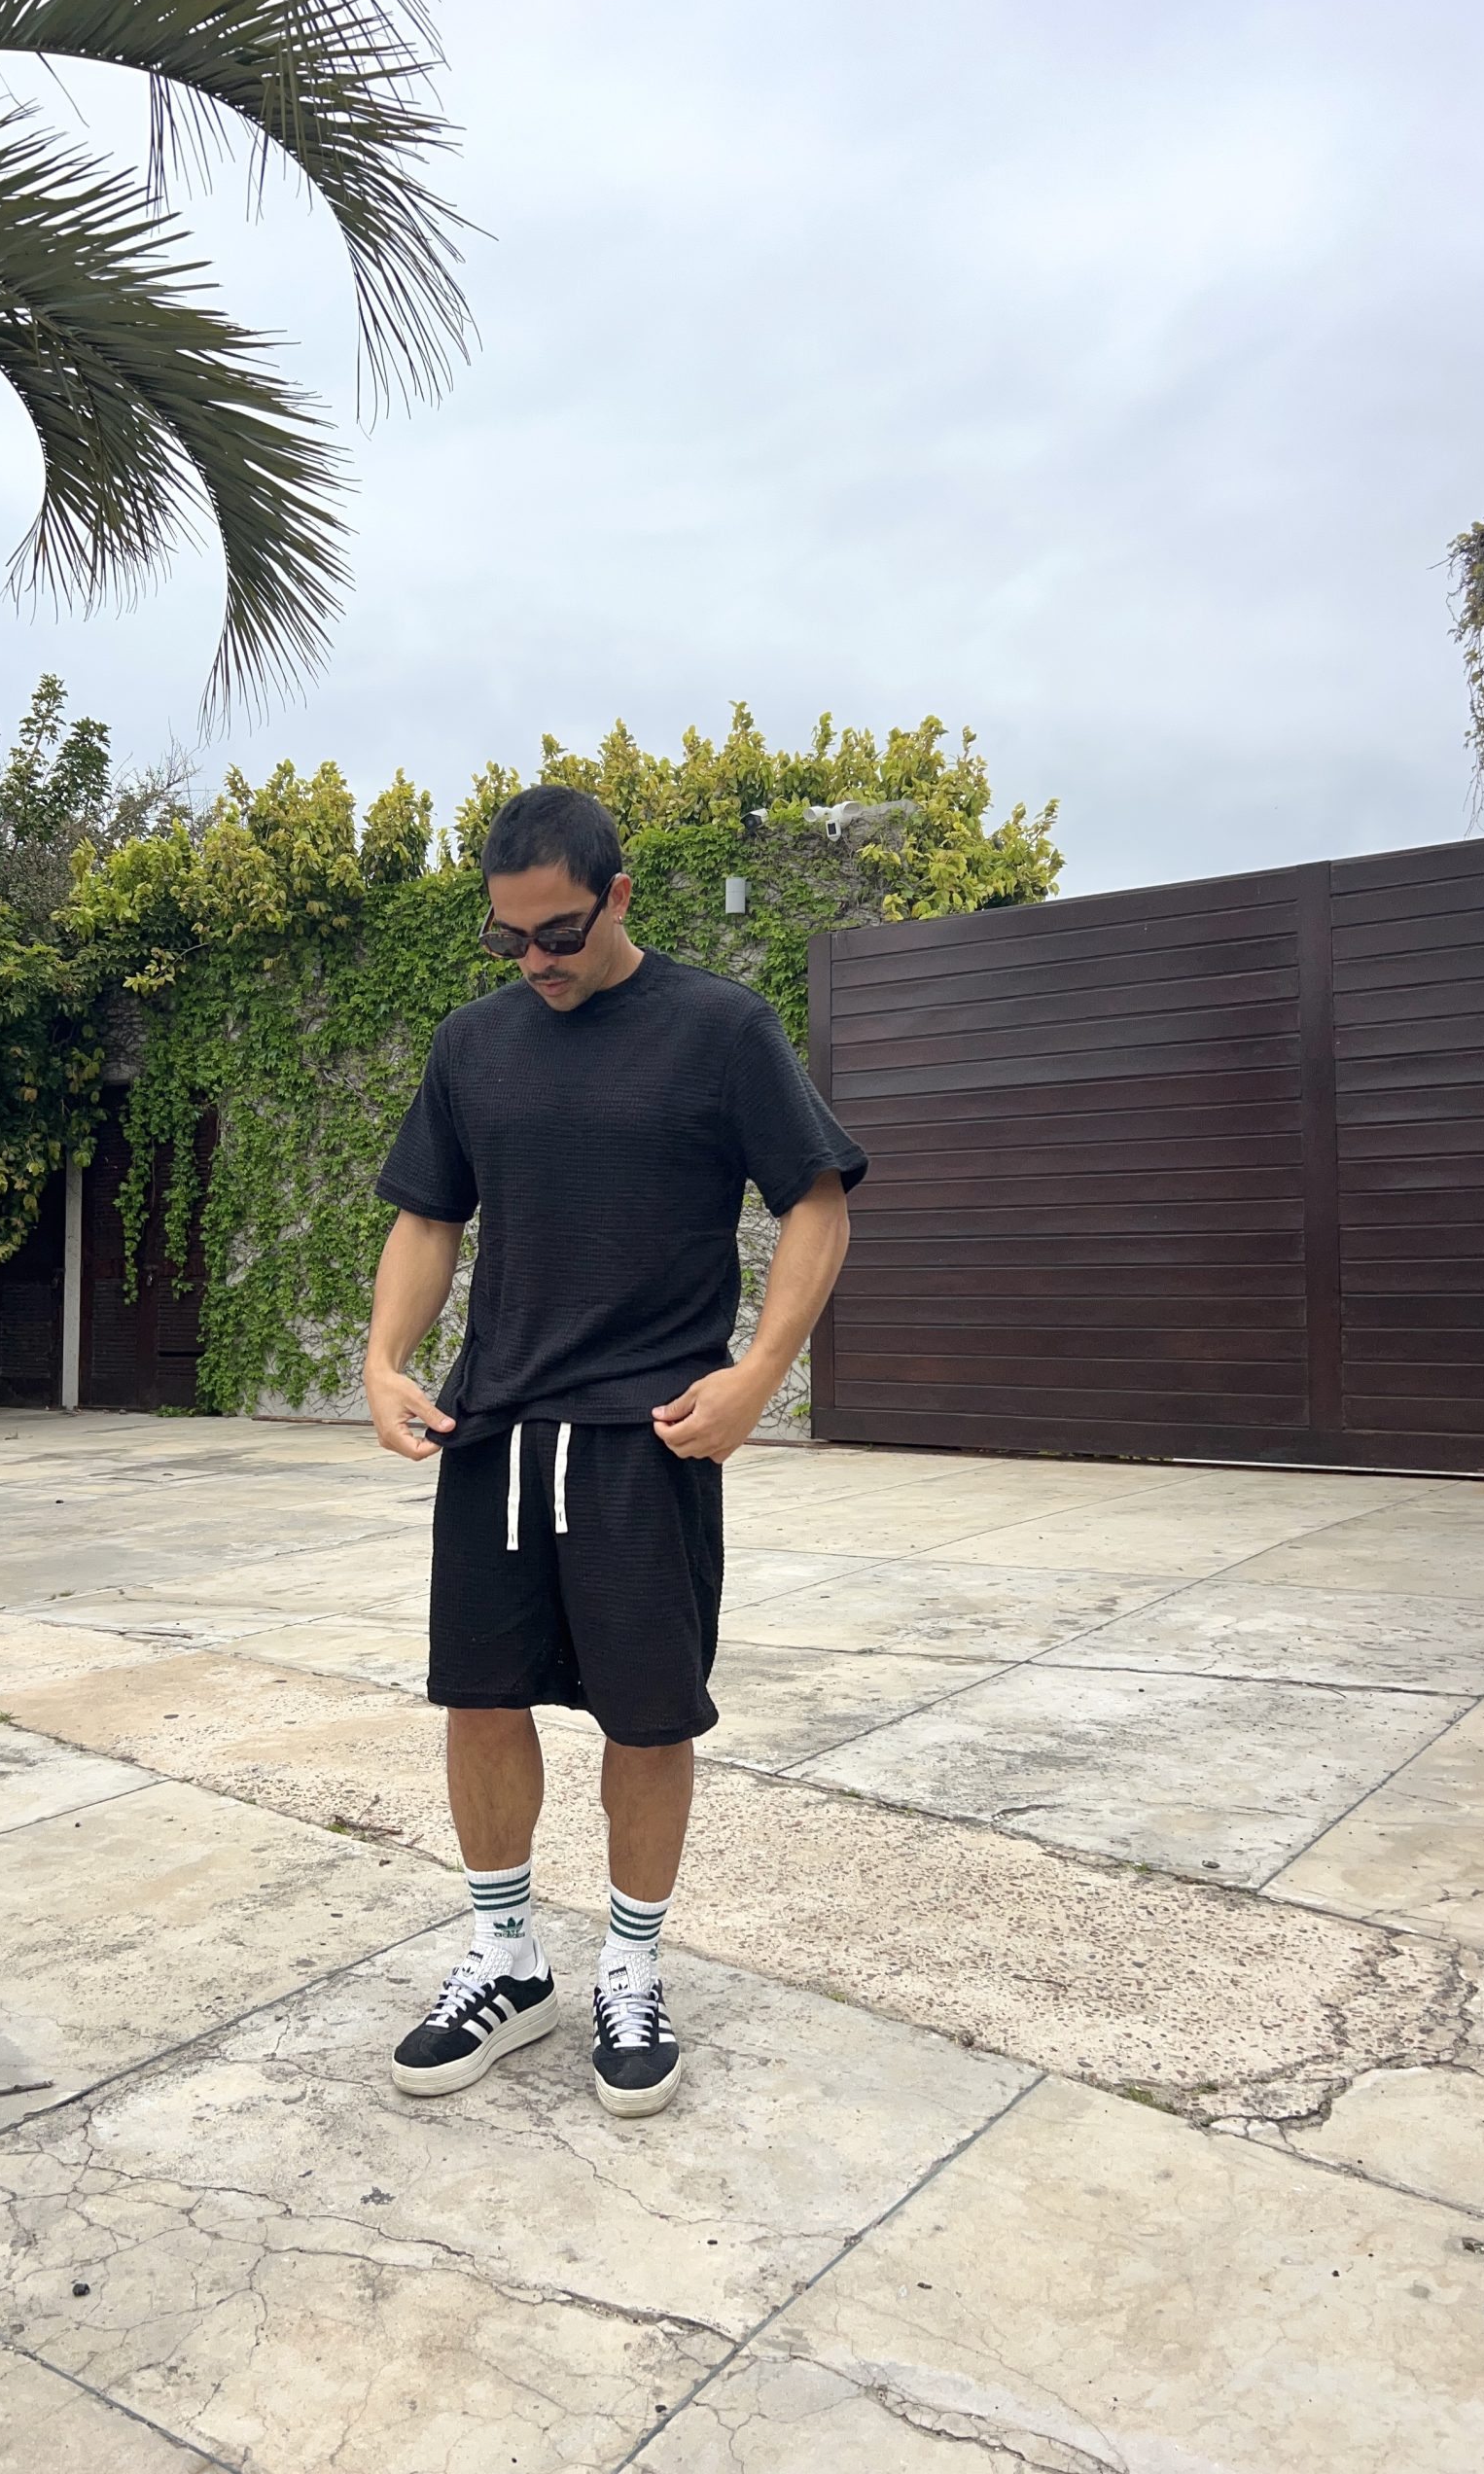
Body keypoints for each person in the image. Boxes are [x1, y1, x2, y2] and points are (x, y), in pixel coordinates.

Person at [365, 784, 866, 2117]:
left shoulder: (720, 1029)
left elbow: (817, 1204)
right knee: (481, 1698)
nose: (535, 959)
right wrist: (383, 1356)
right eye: (509, 937)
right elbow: (428, 1217)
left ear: (620, 897)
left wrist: (759, 1374)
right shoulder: (474, 1044)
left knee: (647, 1716)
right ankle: (506, 1958)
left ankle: (632, 1969)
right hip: (494, 1430)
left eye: (561, 932)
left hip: (647, 1439)